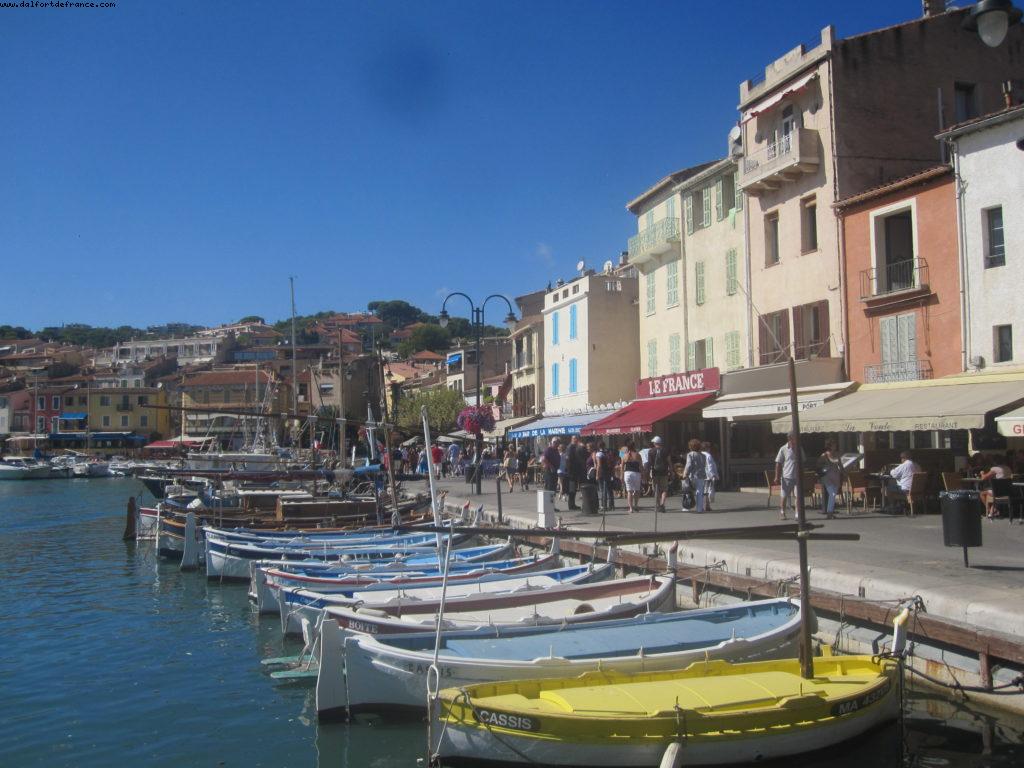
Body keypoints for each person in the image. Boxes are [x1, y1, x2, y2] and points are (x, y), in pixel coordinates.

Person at [774, 432, 803, 520]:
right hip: (787, 476)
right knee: (784, 495)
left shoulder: (799, 448)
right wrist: (777, 477)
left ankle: (797, 514)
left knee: (797, 496)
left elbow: (802, 461)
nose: (797, 439)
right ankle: (782, 512)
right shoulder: (783, 449)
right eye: (795, 438)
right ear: (790, 438)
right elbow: (778, 463)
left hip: (797, 477)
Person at [816, 439, 844, 520]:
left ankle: (830, 512)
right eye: (833, 444)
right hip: (827, 477)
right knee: (832, 494)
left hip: (836, 477)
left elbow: (840, 466)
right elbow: (818, 466)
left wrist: (844, 473)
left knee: (833, 495)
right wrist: (823, 471)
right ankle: (829, 513)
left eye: (835, 444)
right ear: (829, 446)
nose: (835, 445)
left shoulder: (837, 455)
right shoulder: (824, 455)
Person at [682, 438, 708, 513]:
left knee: (688, 491)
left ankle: (687, 507)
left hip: (692, 476)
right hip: (701, 476)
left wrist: (685, 473)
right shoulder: (703, 456)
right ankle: (699, 508)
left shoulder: (690, 454)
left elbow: (689, 465)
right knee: (699, 492)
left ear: (690, 446)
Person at [646, 436, 670, 514]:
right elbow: (669, 461)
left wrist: (647, 474)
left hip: (655, 473)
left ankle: (658, 506)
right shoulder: (665, 451)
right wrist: (671, 470)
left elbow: (649, 463)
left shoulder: (651, 451)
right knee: (664, 489)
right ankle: (662, 504)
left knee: (656, 490)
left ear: (654, 443)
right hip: (664, 472)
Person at [565, 434, 589, 511]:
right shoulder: (570, 447)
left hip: (575, 471)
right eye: (575, 438)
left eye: (577, 438)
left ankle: (572, 504)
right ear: (572, 439)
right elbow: (568, 459)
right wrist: (569, 471)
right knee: (572, 489)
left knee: (574, 489)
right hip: (571, 472)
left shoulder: (576, 447)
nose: (577, 439)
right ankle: (571, 505)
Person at [620, 440, 643, 514]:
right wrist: (643, 474)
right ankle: (636, 506)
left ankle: (631, 508)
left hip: (627, 473)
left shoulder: (625, 455)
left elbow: (622, 467)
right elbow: (641, 466)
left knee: (629, 491)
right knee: (637, 490)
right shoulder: (638, 455)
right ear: (634, 446)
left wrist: (621, 476)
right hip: (636, 473)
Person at [595, 441, 615, 511]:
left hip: (602, 473)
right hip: (608, 472)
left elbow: (599, 465)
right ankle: (611, 505)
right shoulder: (608, 452)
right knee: (609, 489)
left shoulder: (599, 454)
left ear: (598, 446)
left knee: (603, 490)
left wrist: (597, 474)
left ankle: (604, 506)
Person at [701, 441, 718, 512]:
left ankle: (704, 505)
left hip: (701, 475)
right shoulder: (708, 455)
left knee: (703, 491)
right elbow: (710, 466)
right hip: (708, 476)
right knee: (708, 491)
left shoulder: (700, 454)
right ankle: (707, 506)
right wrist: (713, 475)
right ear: (707, 448)